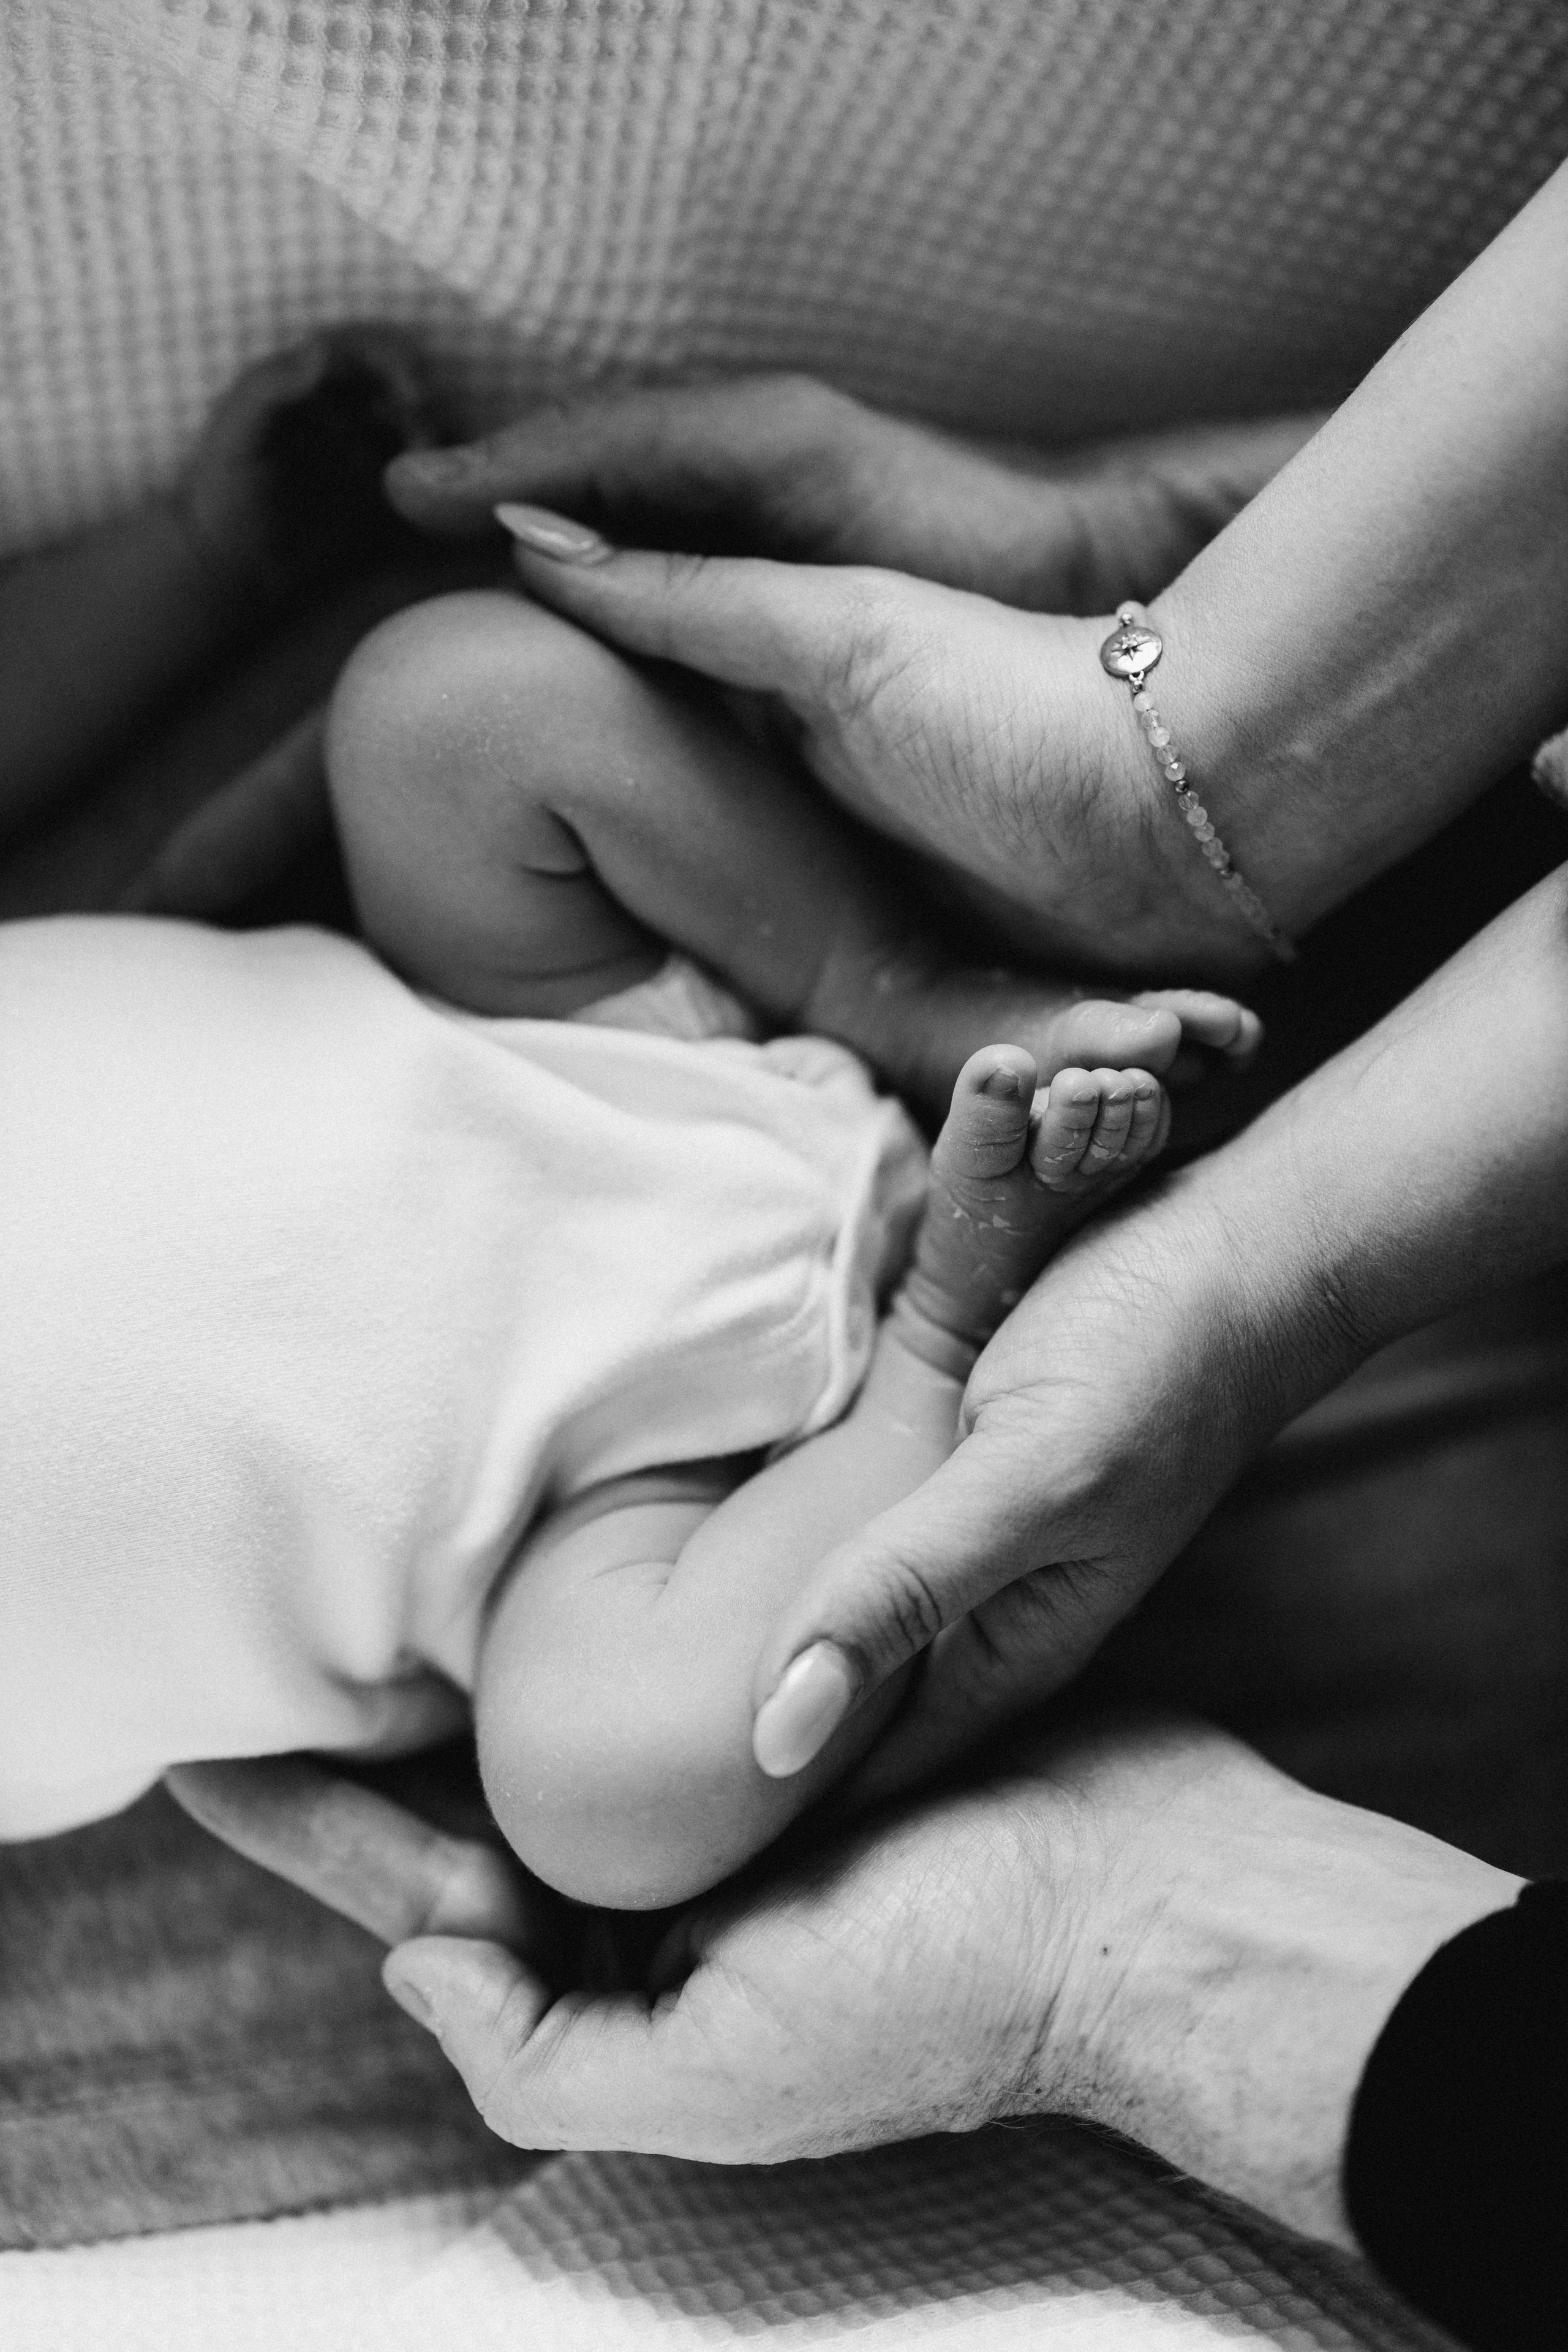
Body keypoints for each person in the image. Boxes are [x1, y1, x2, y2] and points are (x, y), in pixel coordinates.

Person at [1, 339, 1262, 1901]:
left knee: (445, 703)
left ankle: (902, 993)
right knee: (611, 1803)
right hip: (599, 1520)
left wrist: (190, 560)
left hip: (545, 1032)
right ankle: (940, 1335)